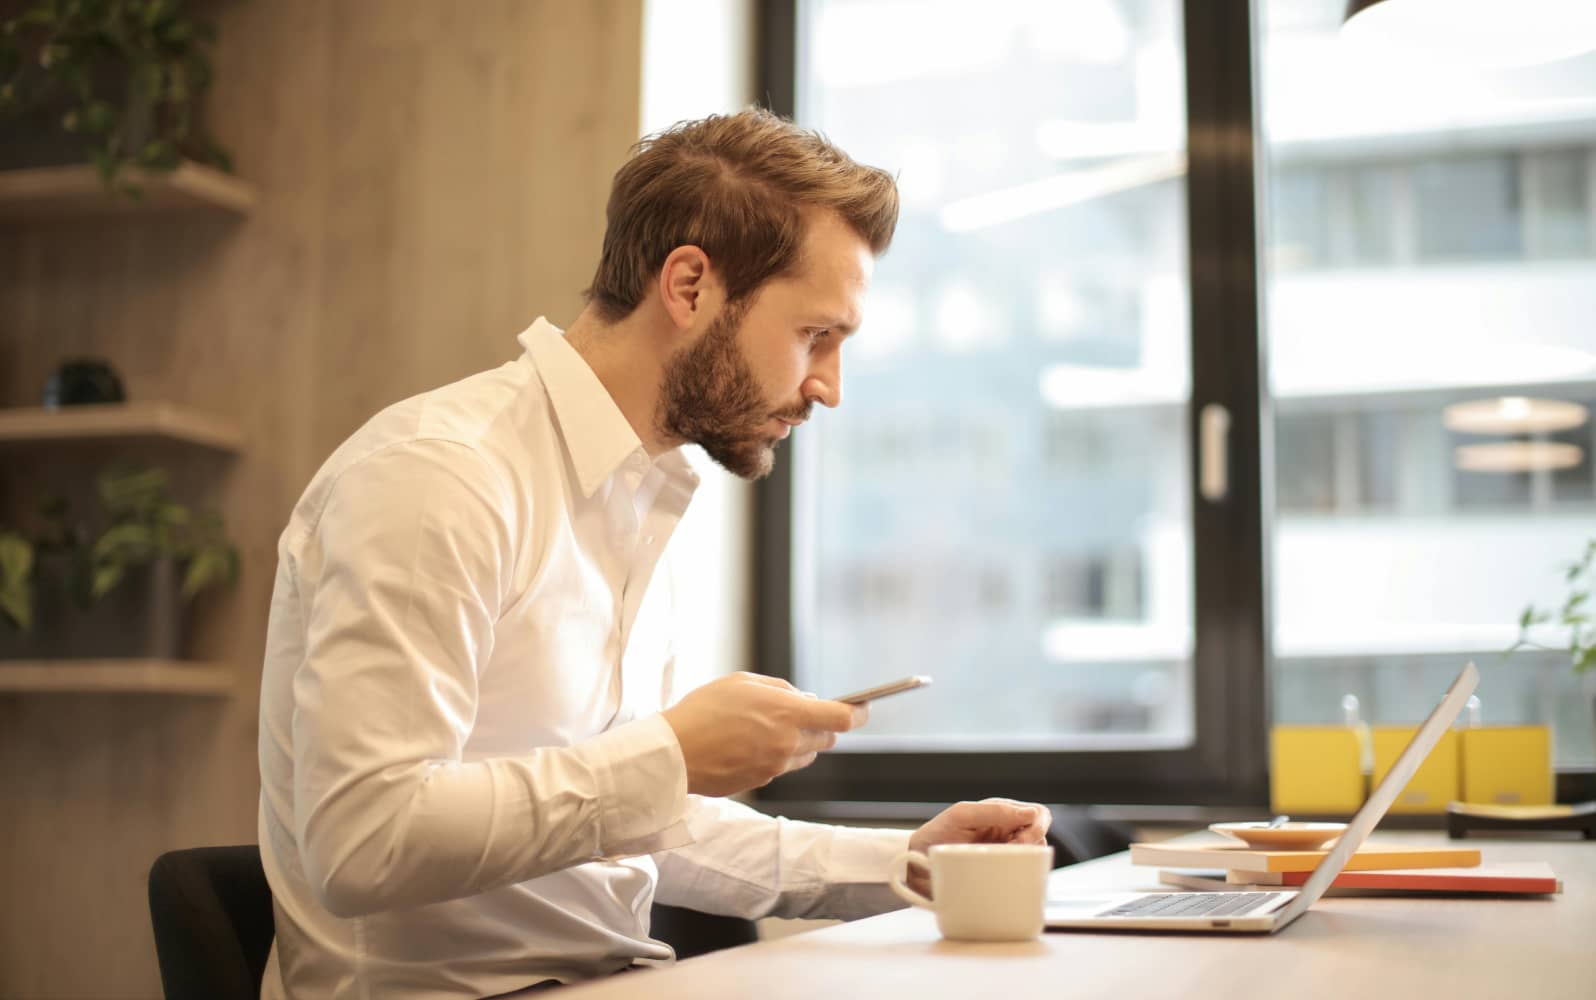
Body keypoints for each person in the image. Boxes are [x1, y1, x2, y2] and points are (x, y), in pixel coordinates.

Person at [256, 108, 1051, 1000]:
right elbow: (363, 842)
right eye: (814, 336)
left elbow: (623, 823)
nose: (828, 387)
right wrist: (668, 754)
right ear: (688, 286)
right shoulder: (440, 478)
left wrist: (902, 862)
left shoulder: (639, 497)